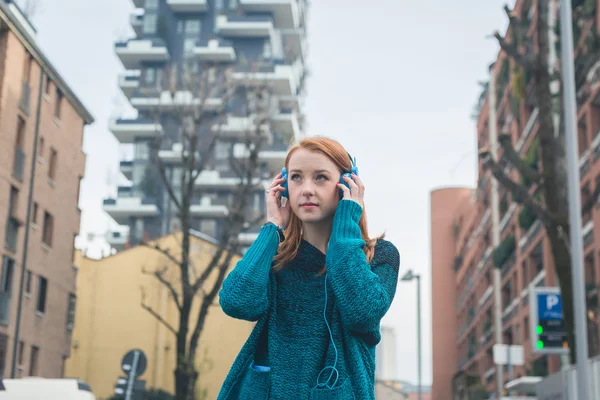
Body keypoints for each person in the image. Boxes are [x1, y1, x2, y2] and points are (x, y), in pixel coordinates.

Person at [216, 136, 400, 400]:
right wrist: (272, 229)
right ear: (284, 185)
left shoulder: (380, 256)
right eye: (296, 178)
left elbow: (362, 312)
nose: (306, 189)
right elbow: (237, 303)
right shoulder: (275, 257)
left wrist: (346, 229)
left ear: (348, 184)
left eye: (321, 177)